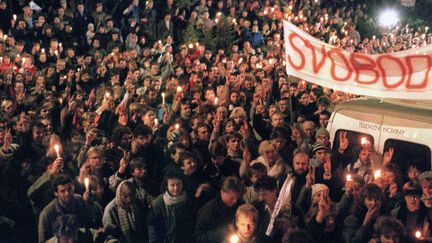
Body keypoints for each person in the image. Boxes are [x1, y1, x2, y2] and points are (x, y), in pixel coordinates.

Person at [38, 174, 92, 243]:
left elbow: (88, 224)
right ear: (55, 193)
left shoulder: (79, 201)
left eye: (69, 189)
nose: (67, 193)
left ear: (73, 187)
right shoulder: (47, 213)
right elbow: (43, 240)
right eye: (62, 191)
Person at [147, 169, 196, 243]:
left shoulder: (189, 200)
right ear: (166, 185)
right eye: (172, 185)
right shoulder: (158, 204)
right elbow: (153, 230)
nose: (176, 188)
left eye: (178, 184)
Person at [196, 176, 245, 243]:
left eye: (237, 197)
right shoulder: (209, 209)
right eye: (231, 198)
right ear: (222, 193)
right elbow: (199, 237)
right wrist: (223, 232)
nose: (235, 201)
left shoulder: (240, 206)